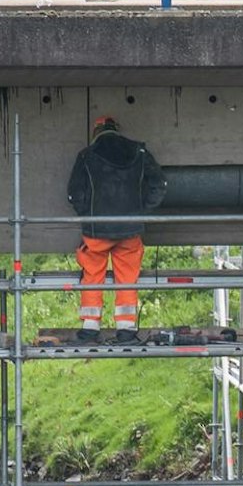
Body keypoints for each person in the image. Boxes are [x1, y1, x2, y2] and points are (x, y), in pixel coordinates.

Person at [66, 117, 167, 343]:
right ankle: (126, 330)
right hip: (130, 230)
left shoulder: (86, 155)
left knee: (93, 276)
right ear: (116, 130)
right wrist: (141, 212)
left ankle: (90, 329)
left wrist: (89, 216)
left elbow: (74, 192)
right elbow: (159, 185)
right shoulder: (139, 152)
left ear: (96, 132)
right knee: (127, 278)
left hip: (97, 231)